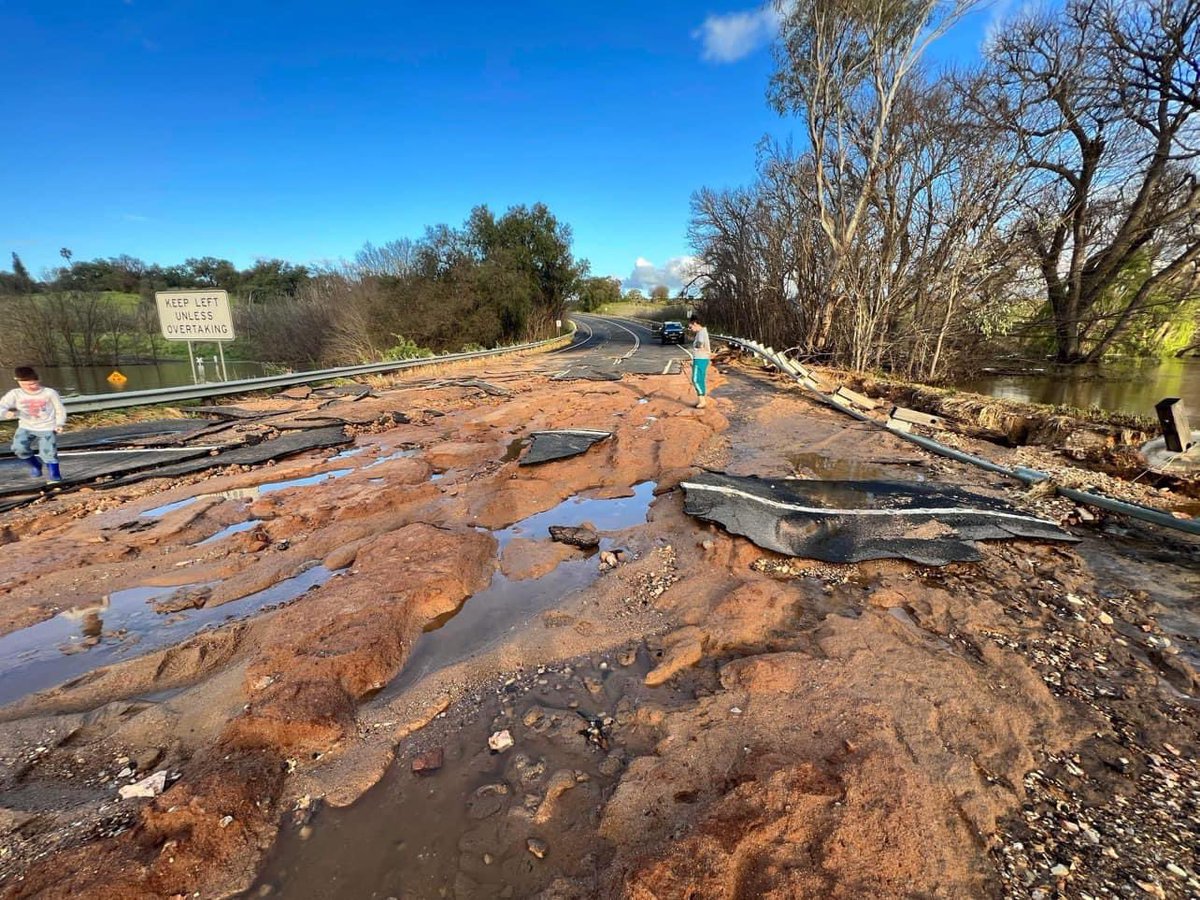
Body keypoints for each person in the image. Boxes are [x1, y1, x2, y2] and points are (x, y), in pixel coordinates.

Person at [1, 366, 67, 483]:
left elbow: (59, 409)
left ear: (38, 380)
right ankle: (35, 465)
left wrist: (59, 423)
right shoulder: (15, 394)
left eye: (33, 384)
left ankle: (55, 475)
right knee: (19, 448)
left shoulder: (49, 393)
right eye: (26, 384)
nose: (31, 387)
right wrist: (6, 413)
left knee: (48, 451)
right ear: (19, 382)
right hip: (26, 426)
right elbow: (3, 405)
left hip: (47, 427)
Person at [688, 313, 711, 408]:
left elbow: (700, 344)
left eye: (690, 327)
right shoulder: (702, 332)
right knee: (700, 379)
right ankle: (701, 400)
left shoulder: (701, 332)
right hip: (701, 358)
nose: (690, 329)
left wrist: (695, 347)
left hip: (700, 359)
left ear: (695, 323)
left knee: (696, 379)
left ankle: (702, 400)